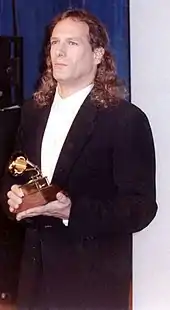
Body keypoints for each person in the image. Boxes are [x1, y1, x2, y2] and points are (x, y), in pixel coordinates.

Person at [4, 8, 157, 310]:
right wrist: (12, 198)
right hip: (33, 277)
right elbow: (15, 174)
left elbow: (140, 208)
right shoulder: (32, 112)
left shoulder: (125, 119)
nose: (58, 52)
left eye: (72, 43)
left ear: (98, 54)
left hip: (91, 281)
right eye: (54, 42)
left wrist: (72, 211)